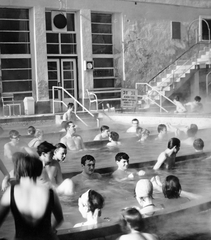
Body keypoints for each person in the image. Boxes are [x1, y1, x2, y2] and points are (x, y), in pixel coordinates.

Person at [0, 153, 63, 240]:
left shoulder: (11, 192)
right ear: (38, 171)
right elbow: (59, 219)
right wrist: (51, 229)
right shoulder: (49, 192)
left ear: (18, 171)